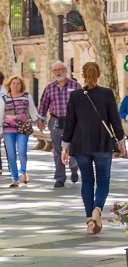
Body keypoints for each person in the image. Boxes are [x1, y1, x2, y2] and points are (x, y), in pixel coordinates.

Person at [62, 61, 124, 234]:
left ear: (82, 74)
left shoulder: (75, 95)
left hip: (80, 144)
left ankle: (90, 219)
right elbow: (114, 119)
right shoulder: (107, 94)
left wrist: (65, 147)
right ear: (99, 74)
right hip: (103, 143)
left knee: (87, 181)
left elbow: (70, 123)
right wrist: (121, 140)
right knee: (103, 180)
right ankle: (98, 209)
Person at [38, 60, 81, 188]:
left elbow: (83, 104)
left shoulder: (76, 86)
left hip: (72, 122)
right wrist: (40, 121)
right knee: (57, 150)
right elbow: (43, 105)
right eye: (55, 70)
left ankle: (74, 168)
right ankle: (60, 178)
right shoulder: (49, 88)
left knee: (73, 148)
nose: (58, 72)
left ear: (66, 71)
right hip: (55, 122)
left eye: (60, 69)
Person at [2, 75, 34, 187]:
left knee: (22, 152)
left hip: (23, 128)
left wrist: (39, 122)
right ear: (9, 85)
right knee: (11, 154)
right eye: (14, 83)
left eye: (18, 83)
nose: (16, 85)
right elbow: (1, 115)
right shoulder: (4, 98)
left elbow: (33, 111)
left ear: (22, 85)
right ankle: (15, 179)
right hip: (8, 129)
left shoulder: (26, 96)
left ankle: (23, 172)